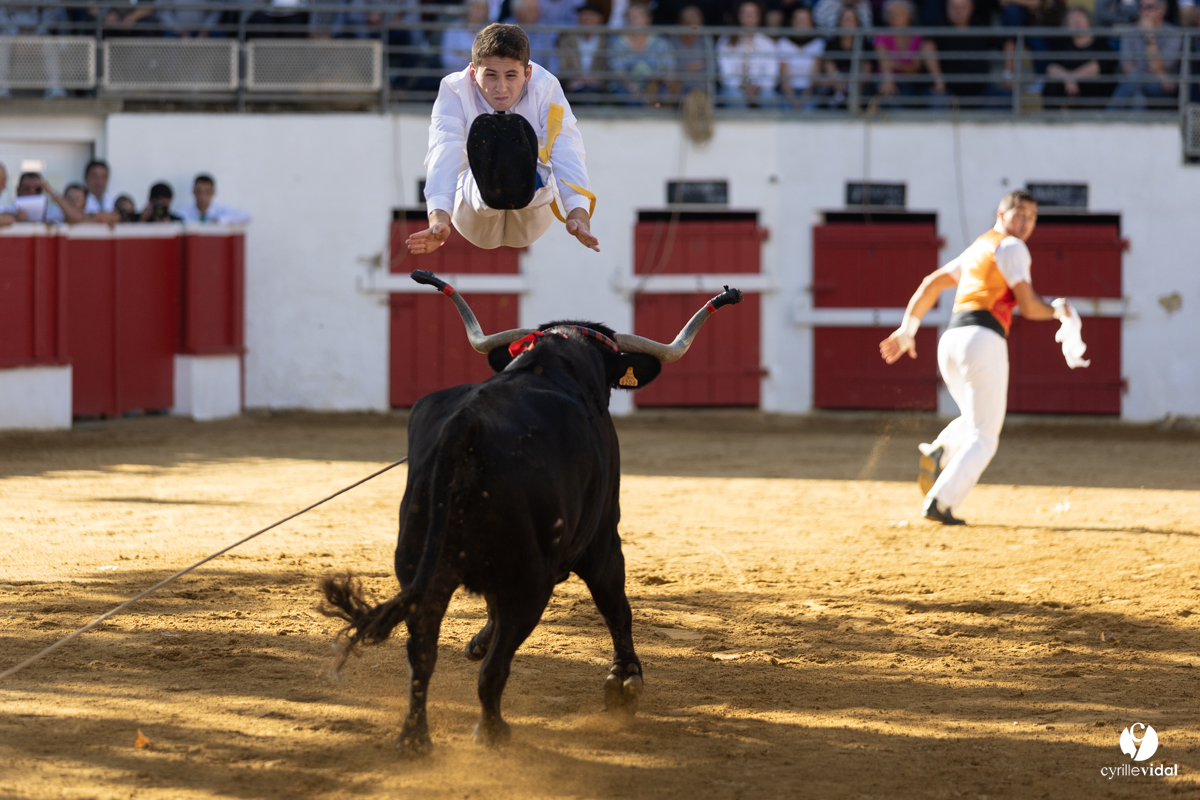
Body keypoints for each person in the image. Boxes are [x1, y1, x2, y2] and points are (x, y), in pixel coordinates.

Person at [879, 191, 1074, 525]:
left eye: (1032, 217)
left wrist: (908, 328)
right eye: (1020, 214)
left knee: (976, 418)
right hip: (983, 339)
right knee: (986, 435)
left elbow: (931, 284)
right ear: (1002, 212)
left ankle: (941, 448)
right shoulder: (1012, 247)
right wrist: (1057, 310)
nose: (1026, 223)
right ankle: (940, 501)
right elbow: (1028, 306)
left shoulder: (978, 248)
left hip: (951, 341)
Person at [407, 23, 599, 253]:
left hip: (532, 210)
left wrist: (578, 213)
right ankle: (490, 184)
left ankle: (525, 181)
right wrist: (439, 219)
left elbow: (567, 150)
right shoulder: (455, 89)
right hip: (472, 208)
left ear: (528, 73)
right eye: (490, 75)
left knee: (540, 172)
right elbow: (442, 153)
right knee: (474, 171)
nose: (501, 88)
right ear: (472, 72)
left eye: (511, 75)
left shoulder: (546, 87)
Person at [922, 0, 1006, 105]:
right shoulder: (939, 27)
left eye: (962, 7)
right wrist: (938, 80)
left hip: (981, 91)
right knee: (937, 102)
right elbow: (927, 47)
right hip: (948, 91)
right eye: (954, 7)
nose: (958, 11)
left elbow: (1008, 44)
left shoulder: (980, 27)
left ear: (971, 8)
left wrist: (1008, 74)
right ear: (946, 8)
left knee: (1007, 98)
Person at [1108, 0, 1182, 109]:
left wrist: (1149, 36)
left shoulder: (1174, 34)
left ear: (1162, 10)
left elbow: (1161, 67)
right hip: (1139, 83)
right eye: (1141, 7)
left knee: (1135, 78)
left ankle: (1106, 119)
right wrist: (1161, 75)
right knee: (1138, 97)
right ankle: (1137, 124)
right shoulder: (1130, 32)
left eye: (1149, 7)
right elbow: (1127, 67)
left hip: (1163, 89)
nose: (1144, 11)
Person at [1043, 7, 1117, 108]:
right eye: (1072, 20)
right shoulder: (1061, 42)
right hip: (1070, 89)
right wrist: (1067, 79)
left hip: (1092, 87)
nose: (1077, 22)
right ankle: (1051, 121)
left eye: (1080, 18)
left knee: (1098, 84)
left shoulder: (1100, 41)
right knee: (1051, 86)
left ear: (1089, 22)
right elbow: (1051, 67)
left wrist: (1072, 77)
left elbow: (1100, 66)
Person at [716, 0, 781, 107]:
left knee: (768, 97)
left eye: (752, 14)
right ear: (738, 16)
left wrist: (757, 87)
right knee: (735, 97)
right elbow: (725, 74)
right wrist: (743, 87)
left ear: (759, 17)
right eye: (744, 13)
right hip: (733, 89)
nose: (748, 17)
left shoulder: (767, 43)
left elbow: (771, 74)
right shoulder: (725, 41)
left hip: (761, 90)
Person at [873, 0, 936, 105]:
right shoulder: (882, 35)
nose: (894, 17)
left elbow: (915, 68)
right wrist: (889, 79)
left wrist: (895, 65)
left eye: (898, 13)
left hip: (909, 81)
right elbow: (884, 61)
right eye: (891, 14)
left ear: (909, 16)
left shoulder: (917, 37)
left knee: (906, 92)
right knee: (888, 92)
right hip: (884, 79)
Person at [609, 3, 674, 104]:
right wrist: (633, 88)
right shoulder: (619, 43)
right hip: (626, 88)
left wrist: (658, 83)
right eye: (629, 17)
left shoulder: (660, 42)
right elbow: (618, 71)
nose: (632, 20)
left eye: (636, 17)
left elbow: (670, 67)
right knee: (633, 99)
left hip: (656, 86)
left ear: (647, 19)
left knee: (664, 96)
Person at [817, 6, 874, 108]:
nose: (848, 24)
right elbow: (830, 70)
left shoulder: (866, 45)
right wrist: (839, 82)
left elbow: (866, 75)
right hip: (836, 87)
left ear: (858, 23)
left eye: (852, 20)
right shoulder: (831, 44)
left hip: (859, 87)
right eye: (845, 19)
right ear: (839, 22)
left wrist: (851, 83)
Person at [557, 3, 611, 100]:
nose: (587, 18)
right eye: (583, 15)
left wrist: (594, 79)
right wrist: (578, 78)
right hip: (573, 84)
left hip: (597, 85)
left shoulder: (606, 41)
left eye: (591, 15)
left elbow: (606, 66)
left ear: (599, 18)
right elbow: (564, 65)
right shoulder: (567, 40)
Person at [778, 6, 825, 109]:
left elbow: (815, 77)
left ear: (811, 23)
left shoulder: (818, 44)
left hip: (810, 91)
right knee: (786, 108)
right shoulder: (783, 43)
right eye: (797, 20)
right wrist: (793, 100)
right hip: (788, 91)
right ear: (791, 22)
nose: (800, 24)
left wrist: (803, 99)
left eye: (804, 20)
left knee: (809, 108)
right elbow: (784, 78)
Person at [177, 174, 252, 224]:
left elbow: (245, 215)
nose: (202, 196)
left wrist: (219, 220)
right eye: (199, 191)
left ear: (213, 192)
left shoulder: (221, 210)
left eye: (207, 192)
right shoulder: (183, 214)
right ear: (193, 191)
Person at [14, 173, 85, 224]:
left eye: (37, 189)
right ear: (18, 190)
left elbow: (76, 218)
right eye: (27, 189)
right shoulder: (9, 211)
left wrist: (51, 191)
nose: (32, 193)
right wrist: (15, 218)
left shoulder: (50, 213)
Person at [442, 0, 490, 71]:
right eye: (473, 6)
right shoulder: (453, 28)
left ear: (486, 11)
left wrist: (462, 55)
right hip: (455, 76)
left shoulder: (489, 31)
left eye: (480, 8)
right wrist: (473, 59)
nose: (476, 11)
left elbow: (489, 61)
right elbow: (447, 58)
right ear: (466, 8)